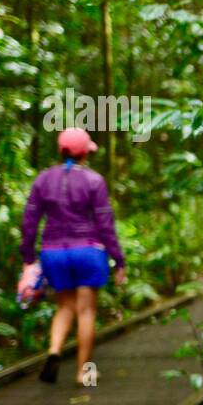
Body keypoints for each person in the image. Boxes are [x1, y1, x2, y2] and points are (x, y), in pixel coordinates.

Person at [19, 127, 126, 386]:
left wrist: (28, 258)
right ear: (84, 155)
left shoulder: (43, 180)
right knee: (86, 311)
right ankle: (83, 372)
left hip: (53, 253)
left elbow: (30, 221)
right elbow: (105, 224)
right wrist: (119, 260)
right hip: (88, 251)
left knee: (64, 307)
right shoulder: (94, 181)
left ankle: (54, 351)